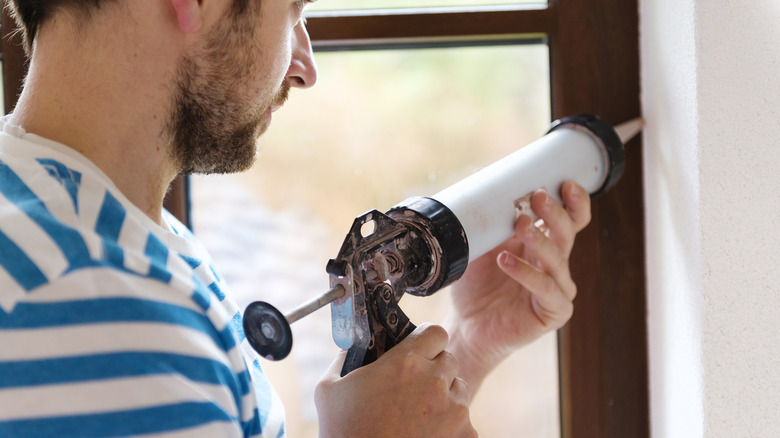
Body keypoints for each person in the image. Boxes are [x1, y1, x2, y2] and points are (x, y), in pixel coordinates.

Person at [0, 0, 591, 437]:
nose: (305, 66)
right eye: (292, 11)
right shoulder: (88, 296)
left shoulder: (110, 232)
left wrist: (466, 351)